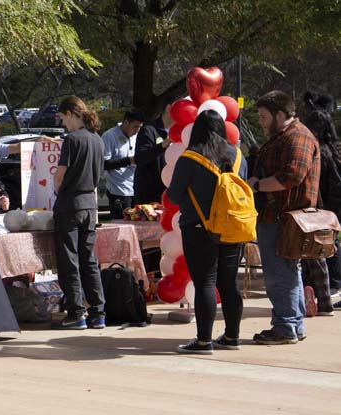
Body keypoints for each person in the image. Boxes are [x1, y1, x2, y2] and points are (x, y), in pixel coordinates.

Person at [167, 110, 247, 354]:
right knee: (228, 283)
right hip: (233, 228)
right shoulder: (238, 156)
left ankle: (203, 341)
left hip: (199, 229)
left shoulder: (190, 158)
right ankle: (232, 337)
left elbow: (174, 195)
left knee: (205, 282)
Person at [247, 90, 320, 345]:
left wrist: (257, 185)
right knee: (288, 272)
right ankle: (292, 325)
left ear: (280, 114)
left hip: (282, 219)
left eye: (265, 116)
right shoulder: (287, 136)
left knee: (280, 275)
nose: (261, 121)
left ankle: (286, 327)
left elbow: (291, 177)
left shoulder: (297, 137)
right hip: (280, 218)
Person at [50, 96, 106, 329]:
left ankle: (76, 312)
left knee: (69, 260)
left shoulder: (71, 140)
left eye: (64, 118)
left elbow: (59, 175)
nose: (64, 124)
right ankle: (98, 312)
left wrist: (57, 189)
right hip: (90, 206)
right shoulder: (97, 140)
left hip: (70, 204)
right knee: (89, 260)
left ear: (71, 114)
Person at [305, 110, 341, 311]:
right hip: (335, 210)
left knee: (314, 252)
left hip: (321, 209)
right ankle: (326, 298)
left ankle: (315, 293)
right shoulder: (337, 149)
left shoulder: (316, 151)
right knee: (330, 249)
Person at [101, 109, 145, 219]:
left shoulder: (138, 136)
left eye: (140, 127)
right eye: (135, 127)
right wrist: (129, 161)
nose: (137, 130)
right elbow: (104, 164)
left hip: (136, 188)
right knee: (121, 225)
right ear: (126, 123)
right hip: (118, 190)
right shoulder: (109, 136)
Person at [134, 103, 173, 204]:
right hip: (150, 194)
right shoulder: (149, 130)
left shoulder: (181, 131)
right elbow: (140, 158)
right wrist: (161, 146)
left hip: (170, 191)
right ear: (169, 108)